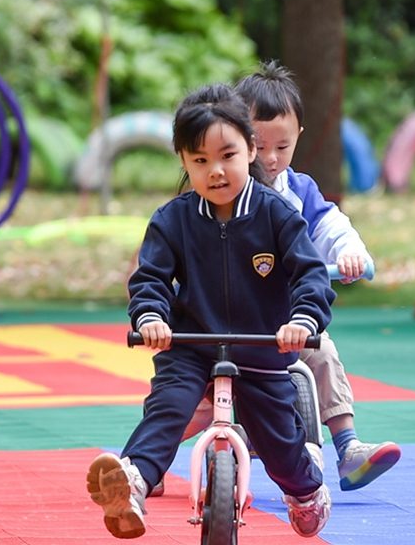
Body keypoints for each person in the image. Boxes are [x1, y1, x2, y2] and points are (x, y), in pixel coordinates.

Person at [87, 84, 334, 540]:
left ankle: (305, 491)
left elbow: (310, 276)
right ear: (183, 161)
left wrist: (302, 321)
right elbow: (150, 278)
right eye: (199, 161)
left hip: (261, 348)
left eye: (227, 156)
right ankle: (134, 482)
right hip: (191, 345)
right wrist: (150, 318)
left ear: (250, 149)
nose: (215, 171)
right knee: (168, 406)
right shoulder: (173, 219)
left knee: (280, 444)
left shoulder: (277, 215)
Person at [231, 61, 401, 490]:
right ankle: (147, 461)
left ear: (298, 139)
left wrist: (348, 253)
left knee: (321, 353)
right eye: (257, 144)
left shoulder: (299, 191)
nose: (269, 159)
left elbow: (329, 225)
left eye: (281, 147)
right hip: (231, 326)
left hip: (289, 324)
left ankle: (347, 448)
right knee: (190, 392)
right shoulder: (226, 190)